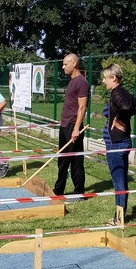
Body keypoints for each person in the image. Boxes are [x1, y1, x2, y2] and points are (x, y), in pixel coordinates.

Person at [102, 63, 134, 225]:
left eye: (105, 78)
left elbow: (127, 107)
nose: (103, 81)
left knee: (118, 182)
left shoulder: (117, 93)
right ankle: (119, 215)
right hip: (122, 142)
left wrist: (118, 119)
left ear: (113, 78)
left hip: (117, 144)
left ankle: (119, 218)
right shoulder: (123, 92)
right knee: (121, 180)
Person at [53, 54, 89, 198]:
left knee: (75, 160)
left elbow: (82, 107)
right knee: (63, 159)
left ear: (74, 63)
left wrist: (76, 129)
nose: (63, 67)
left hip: (73, 126)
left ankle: (79, 191)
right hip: (65, 125)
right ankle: (59, 189)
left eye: (65, 64)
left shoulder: (82, 82)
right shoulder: (72, 81)